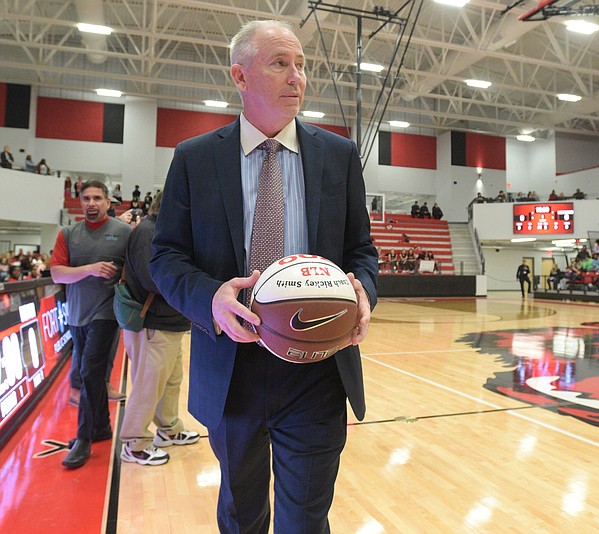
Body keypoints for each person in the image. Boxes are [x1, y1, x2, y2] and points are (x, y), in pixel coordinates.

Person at [149, 20, 378, 533]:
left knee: (306, 518)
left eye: (301, 65)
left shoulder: (339, 157)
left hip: (318, 365)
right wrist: (211, 298)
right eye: (280, 63)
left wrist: (364, 293)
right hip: (233, 368)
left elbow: (362, 250)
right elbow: (165, 256)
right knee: (240, 512)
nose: (296, 76)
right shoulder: (195, 158)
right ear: (240, 75)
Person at [50, 180, 133, 468]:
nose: (91, 203)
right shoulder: (68, 233)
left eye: (97, 198)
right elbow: (57, 274)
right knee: (91, 375)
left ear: (109, 202)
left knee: (89, 371)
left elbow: (136, 269)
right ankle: (101, 427)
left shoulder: (124, 233)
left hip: (107, 313)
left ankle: (83, 438)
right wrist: (89, 269)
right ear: (80, 201)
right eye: (86, 198)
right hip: (76, 314)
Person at [119, 191, 200, 466]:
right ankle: (135, 443)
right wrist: (191, 278)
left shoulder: (162, 232)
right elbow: (152, 278)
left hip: (170, 322)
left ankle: (169, 429)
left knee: (170, 381)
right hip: (151, 323)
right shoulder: (148, 231)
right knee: (148, 385)